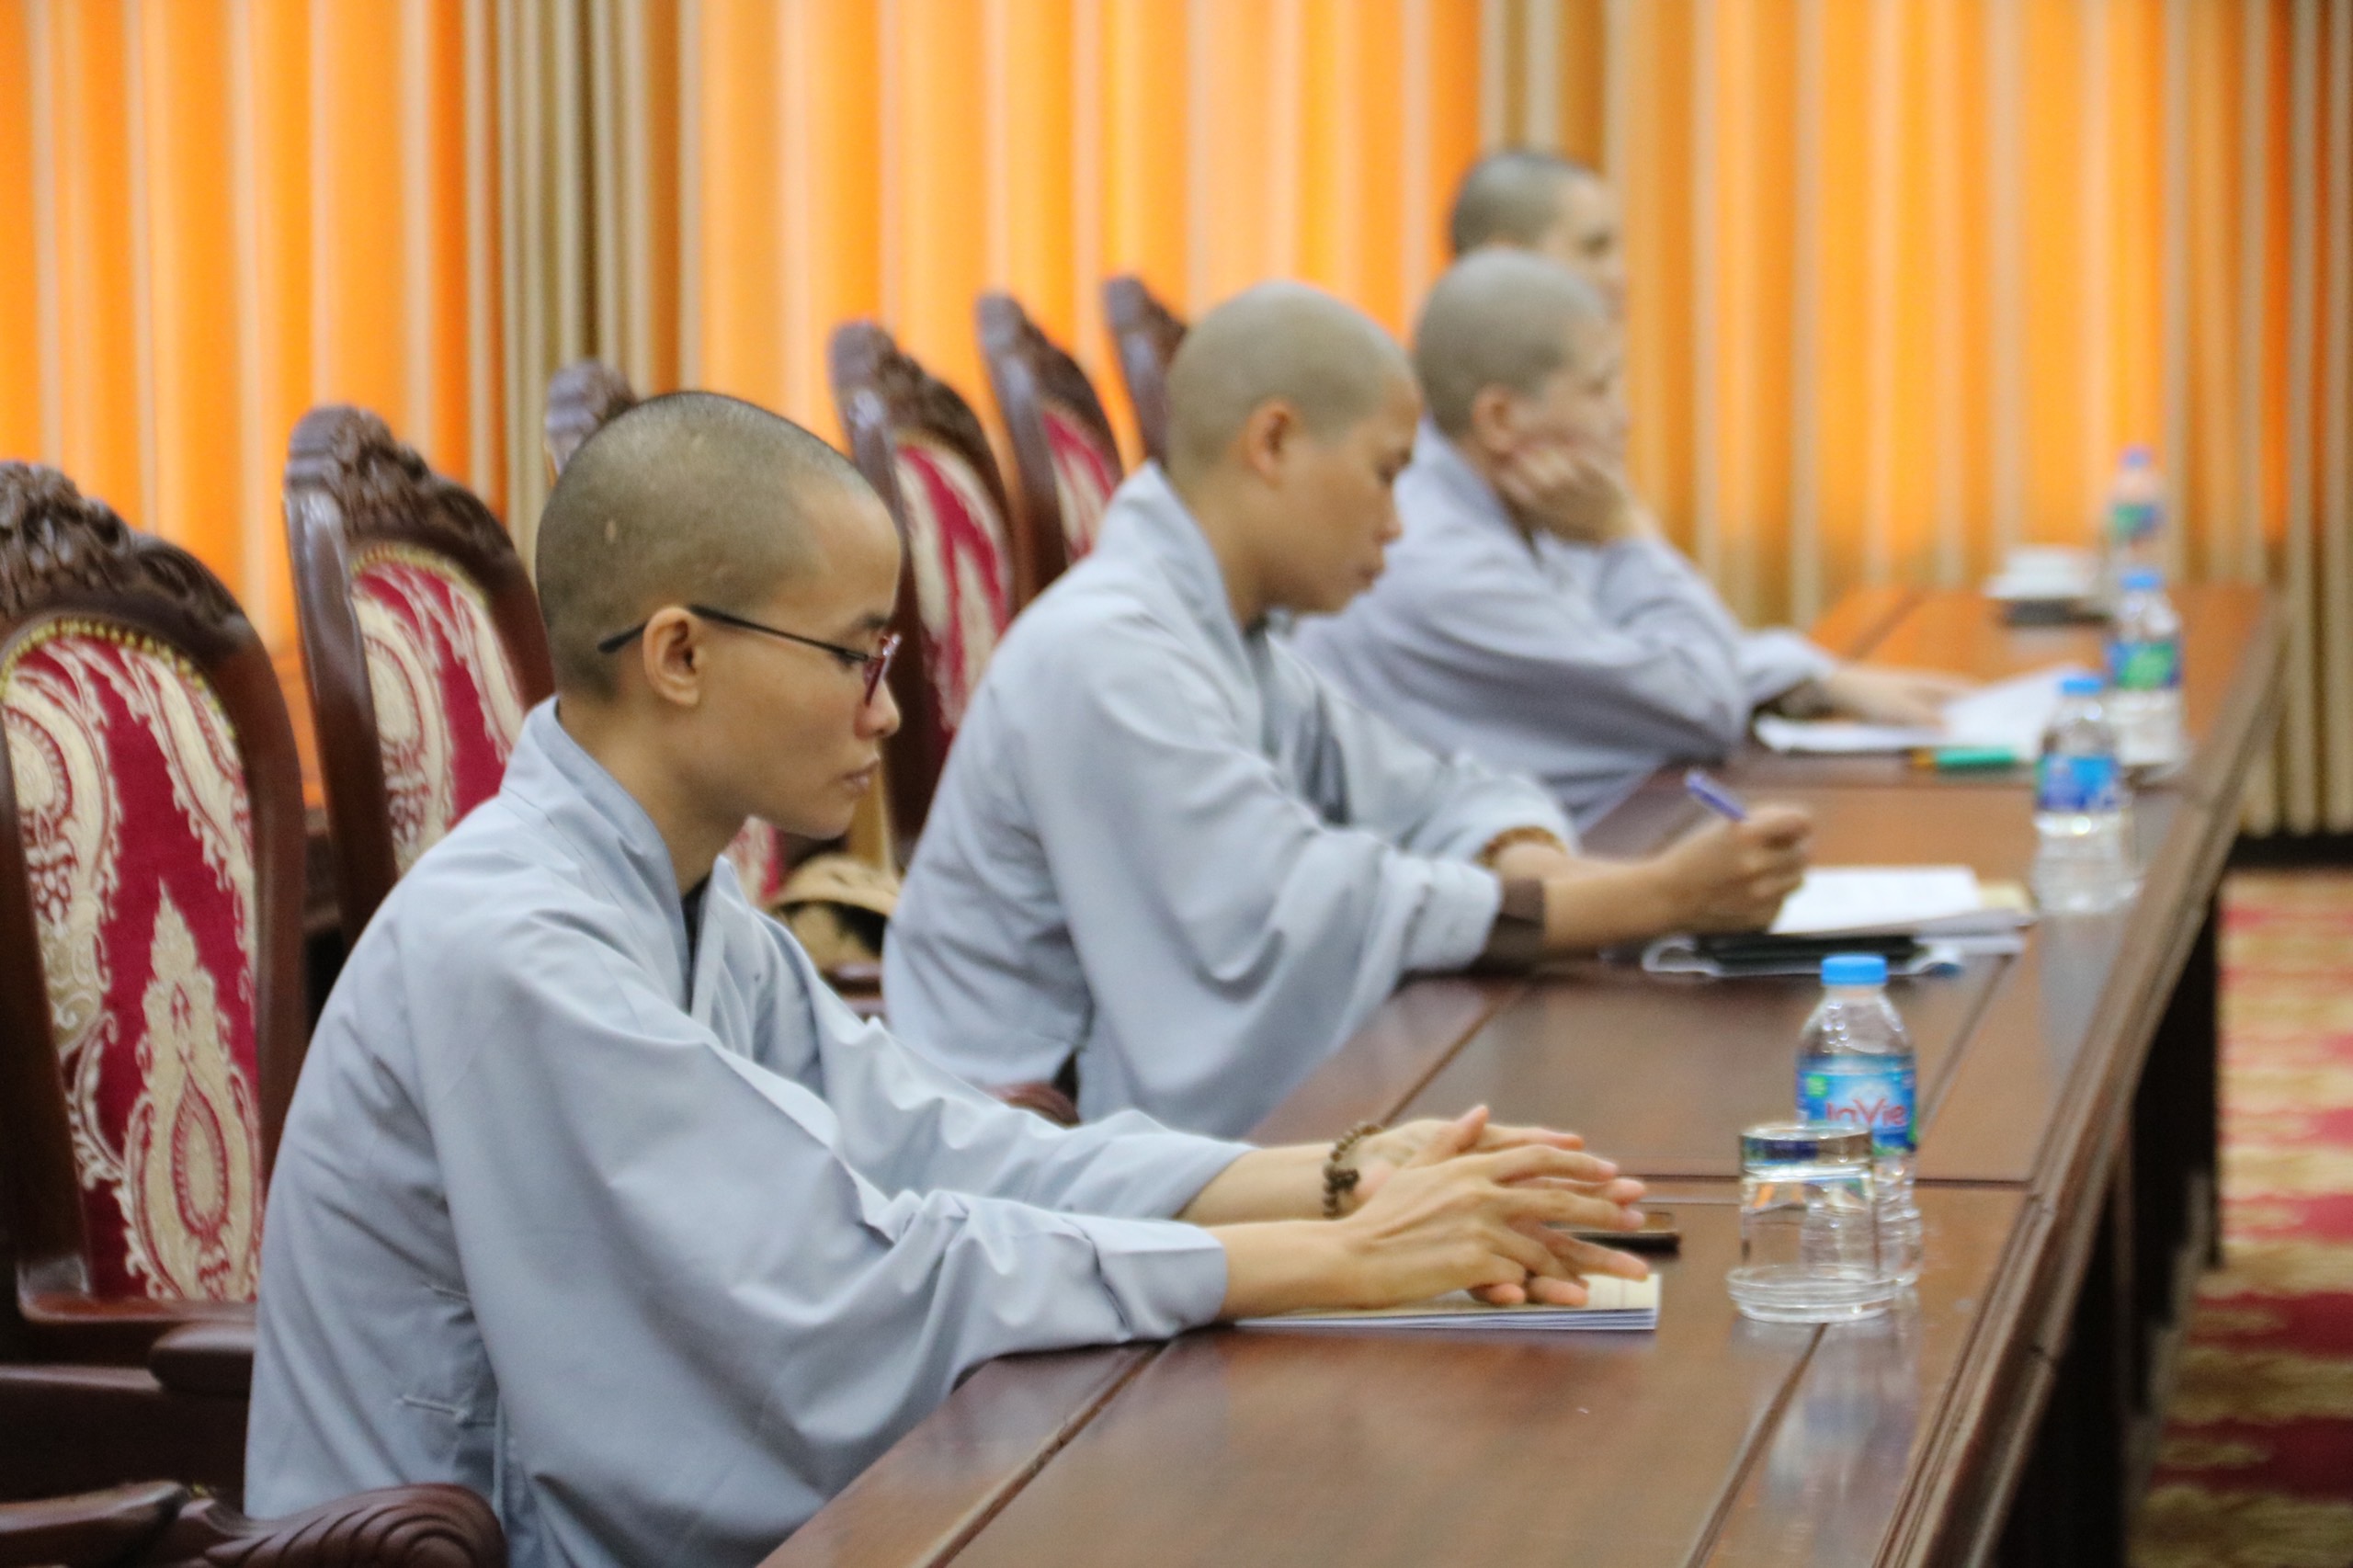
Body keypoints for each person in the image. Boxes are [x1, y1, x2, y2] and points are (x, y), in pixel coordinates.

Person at [244, 392, 1653, 1568]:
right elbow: (839, 1306)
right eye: (855, 654)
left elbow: (943, 1145)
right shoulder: (517, 944)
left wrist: (1334, 1177)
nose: (889, 710)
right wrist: (1340, 1263)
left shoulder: (683, 901)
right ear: (679, 653)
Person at [884, 285, 1811, 1140]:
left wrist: (1543, 870)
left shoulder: (1234, 636)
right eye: (1384, 472)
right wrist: (1648, 899)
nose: (1397, 523)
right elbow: (1298, 911)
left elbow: (1434, 789)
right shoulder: (1111, 651)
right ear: (1274, 442)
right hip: (1025, 1155)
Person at [1430, 148, 1968, 741]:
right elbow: (1692, 701)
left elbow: (1619, 651)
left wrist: (1808, 678)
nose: (1621, 277)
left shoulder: (1526, 458)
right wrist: (1626, 530)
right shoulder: (1451, 525)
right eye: (1594, 248)